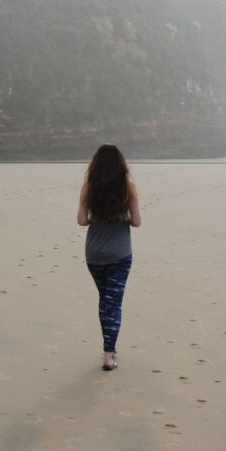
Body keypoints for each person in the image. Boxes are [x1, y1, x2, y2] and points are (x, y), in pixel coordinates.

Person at [77, 144, 142, 371]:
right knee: (111, 304)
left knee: (106, 301)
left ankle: (109, 349)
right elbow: (136, 221)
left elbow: (82, 221)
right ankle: (108, 354)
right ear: (120, 165)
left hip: (94, 254)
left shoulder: (89, 187)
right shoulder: (128, 187)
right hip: (120, 253)